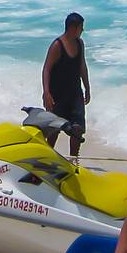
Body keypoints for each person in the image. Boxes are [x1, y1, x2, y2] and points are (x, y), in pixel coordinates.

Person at [41, 12, 91, 159]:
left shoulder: (80, 44)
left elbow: (82, 66)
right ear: (73, 28)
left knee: (77, 129)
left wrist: (87, 88)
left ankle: (73, 161)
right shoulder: (57, 45)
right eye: (81, 28)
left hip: (75, 93)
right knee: (54, 130)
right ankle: (47, 158)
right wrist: (47, 93)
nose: (82, 31)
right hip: (58, 95)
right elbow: (46, 69)